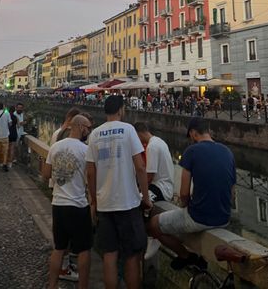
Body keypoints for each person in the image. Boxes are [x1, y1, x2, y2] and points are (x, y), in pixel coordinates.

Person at [148, 117, 236, 271]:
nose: (190, 141)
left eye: (190, 137)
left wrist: (186, 207)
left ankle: (186, 256)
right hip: (224, 217)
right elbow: (232, 193)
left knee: (153, 225)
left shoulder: (192, 151)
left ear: (194, 133)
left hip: (199, 218)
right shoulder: (227, 152)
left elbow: (183, 194)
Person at [86, 95, 152, 289]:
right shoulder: (128, 130)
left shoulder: (95, 134)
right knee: (132, 255)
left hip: (104, 204)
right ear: (121, 110)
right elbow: (140, 167)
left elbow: (90, 171)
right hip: (128, 203)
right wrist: (146, 197)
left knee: (109, 254)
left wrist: (93, 201)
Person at [44, 115, 93, 289]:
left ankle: (52, 285)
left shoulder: (55, 147)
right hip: (78, 204)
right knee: (83, 249)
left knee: (59, 248)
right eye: (88, 127)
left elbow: (46, 174)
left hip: (58, 204)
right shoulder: (86, 150)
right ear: (80, 127)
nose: (89, 130)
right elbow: (91, 177)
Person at [133, 122, 174, 202]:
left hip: (161, 188)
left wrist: (140, 189)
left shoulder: (152, 147)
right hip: (167, 186)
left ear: (139, 134)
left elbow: (150, 176)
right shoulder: (159, 141)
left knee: (136, 200)